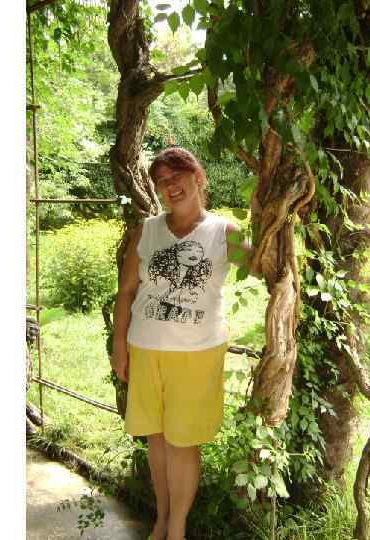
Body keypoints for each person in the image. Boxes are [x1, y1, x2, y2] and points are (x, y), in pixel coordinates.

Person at [111, 147, 251, 540]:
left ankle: (177, 528)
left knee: (183, 442)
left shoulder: (225, 232)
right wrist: (119, 346)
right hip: (145, 347)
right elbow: (126, 291)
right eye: (162, 181)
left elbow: (260, 266)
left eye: (177, 177)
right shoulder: (147, 230)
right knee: (156, 439)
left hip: (197, 352)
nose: (170, 186)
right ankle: (161, 519)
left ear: (198, 178)